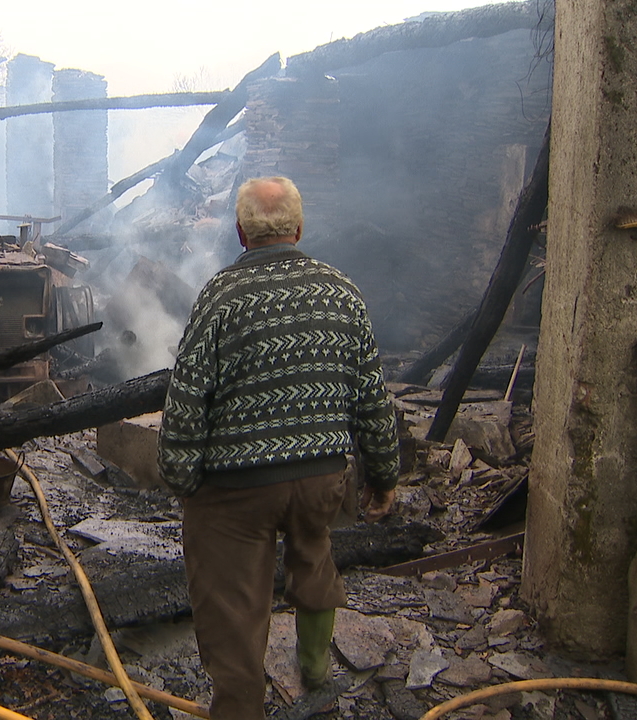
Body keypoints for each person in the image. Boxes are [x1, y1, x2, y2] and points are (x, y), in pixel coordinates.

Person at [158, 176, 400, 720]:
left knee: (234, 609)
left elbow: (186, 400)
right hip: (321, 481)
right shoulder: (342, 292)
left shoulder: (221, 297)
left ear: (241, 233)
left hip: (236, 490)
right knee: (313, 557)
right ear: (298, 227)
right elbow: (372, 400)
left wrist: (182, 480)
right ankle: (315, 670)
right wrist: (384, 477)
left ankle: (242, 708)